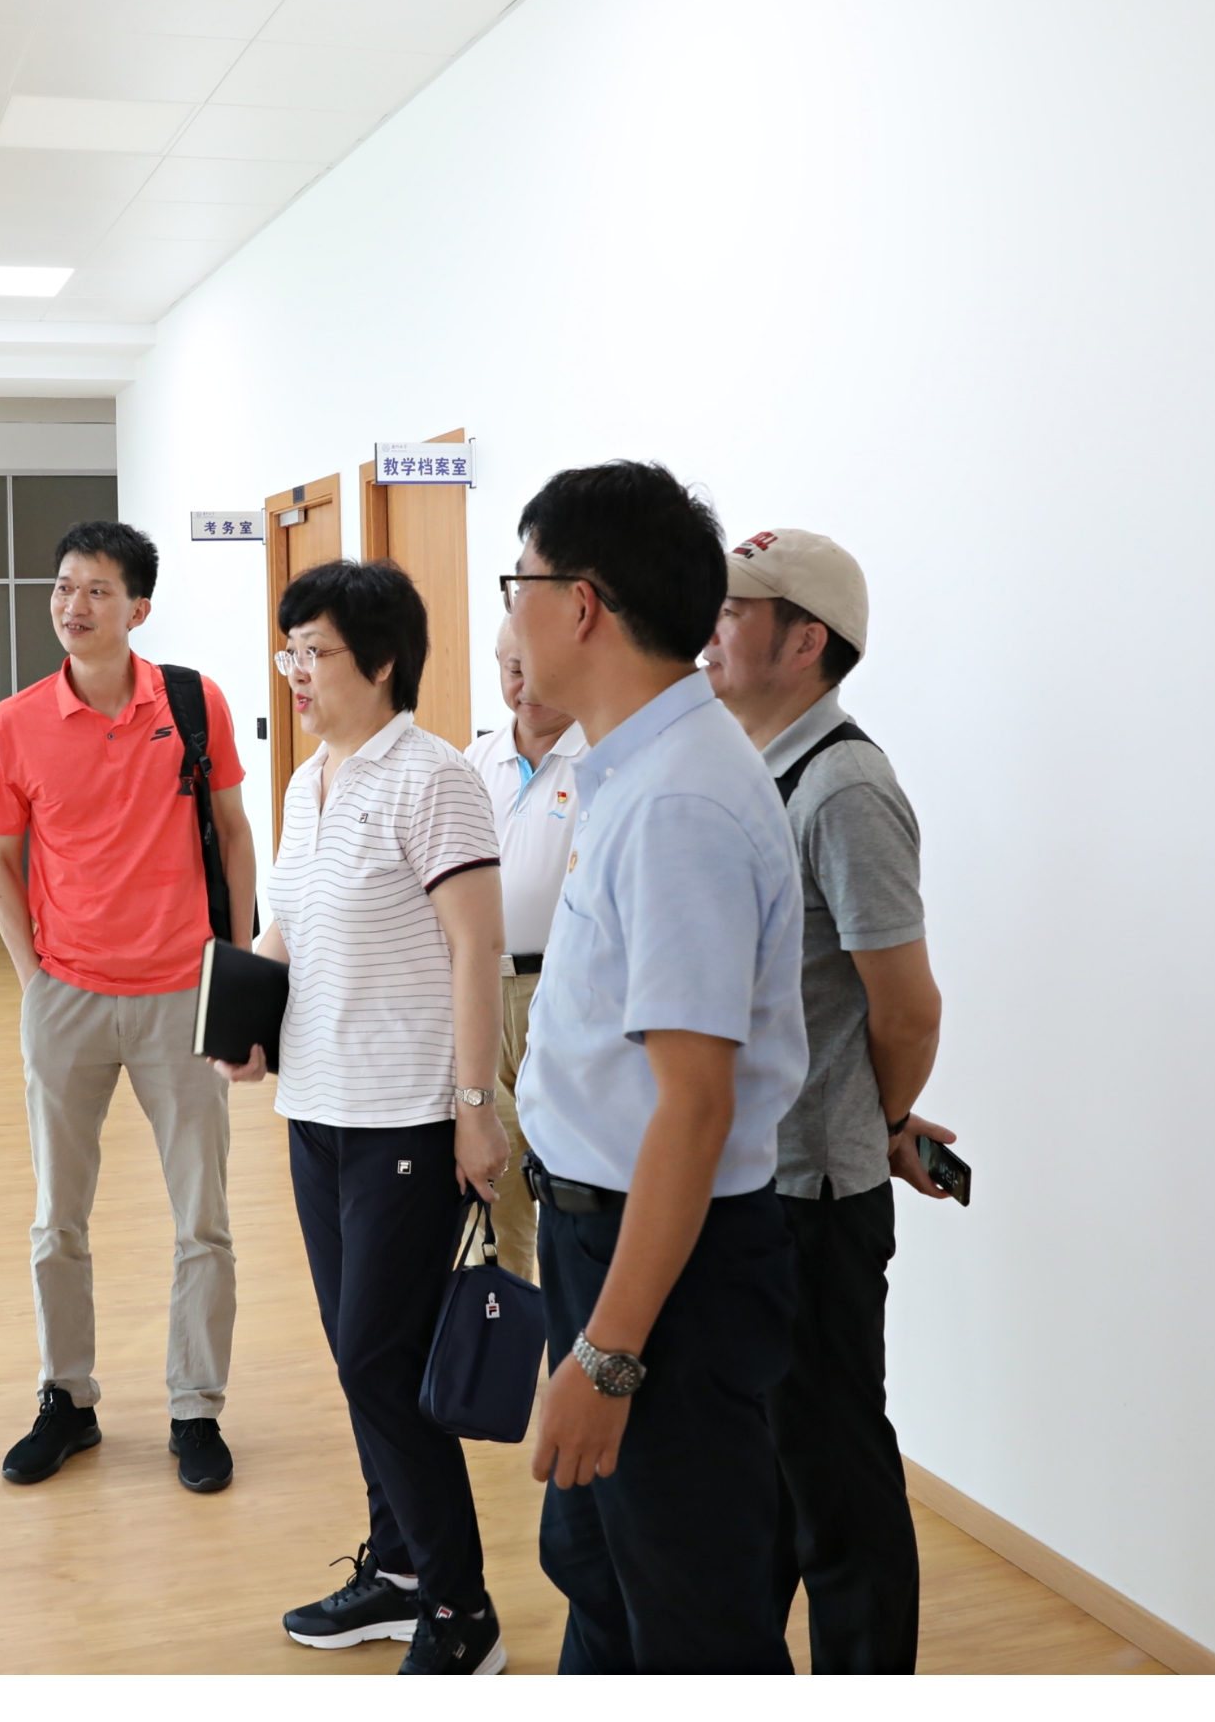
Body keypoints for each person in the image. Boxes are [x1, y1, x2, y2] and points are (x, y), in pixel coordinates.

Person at [501, 462, 811, 1673]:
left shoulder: (681, 801)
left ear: (581, 604)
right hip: (611, 1244)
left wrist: (609, 1354)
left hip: (665, 1277)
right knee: (601, 1575)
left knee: (694, 1628)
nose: (511, 614)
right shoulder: (632, 769)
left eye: (521, 582)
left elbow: (694, 1107)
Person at [239, 560, 512, 1673]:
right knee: (362, 1360)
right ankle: (397, 1571)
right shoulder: (308, 782)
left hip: (407, 1117)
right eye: (290, 651)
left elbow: (477, 948)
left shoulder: (432, 778)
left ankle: (462, 1613)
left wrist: (474, 1109)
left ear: (384, 661)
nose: (297, 672)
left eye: (316, 652)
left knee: (376, 1362)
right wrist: (244, 1016)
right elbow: (288, 932)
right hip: (317, 1111)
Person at [703, 528, 950, 1674]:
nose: (710, 628)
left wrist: (878, 1122)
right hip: (758, 1178)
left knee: (836, 1485)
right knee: (764, 1480)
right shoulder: (752, 765)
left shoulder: (845, 788)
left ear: (804, 641)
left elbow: (907, 1009)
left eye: (734, 609)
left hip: (816, 1195)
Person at [0, 519, 253, 1496]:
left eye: (97, 589)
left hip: (181, 996)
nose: (74, 605)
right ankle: (67, 1398)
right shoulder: (16, 723)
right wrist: (36, 981)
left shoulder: (193, 702)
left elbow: (232, 833)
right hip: (68, 1001)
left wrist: (234, 969)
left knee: (203, 1219)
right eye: (64, 586)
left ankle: (196, 1407)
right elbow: (0, 860)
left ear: (138, 608)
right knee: (58, 1218)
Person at [463, 619, 589, 1285]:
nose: (524, 685)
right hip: (481, 990)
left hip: (562, 992)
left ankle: (574, 1340)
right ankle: (512, 1333)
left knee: (567, 1183)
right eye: (511, 668)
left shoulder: (600, 757)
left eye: (536, 668)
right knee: (499, 1184)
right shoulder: (474, 760)